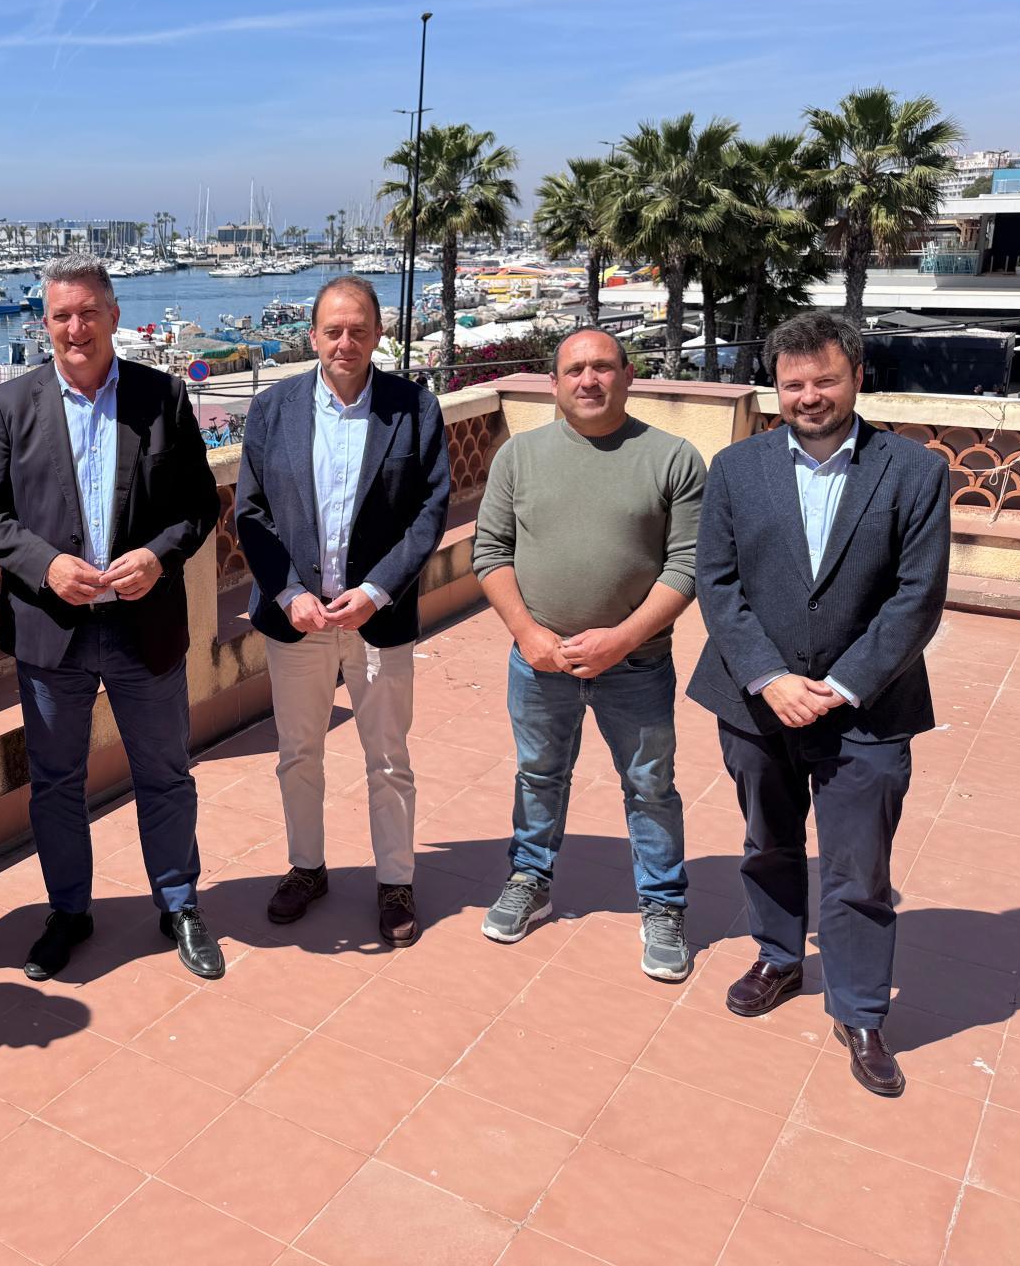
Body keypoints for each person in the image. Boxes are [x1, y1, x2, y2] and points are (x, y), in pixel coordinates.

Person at [689, 311, 947, 1097]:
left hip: (868, 707)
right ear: (776, 389)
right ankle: (778, 956)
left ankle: (860, 1011)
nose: (809, 396)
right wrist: (769, 676)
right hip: (757, 702)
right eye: (793, 384)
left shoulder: (914, 470)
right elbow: (717, 584)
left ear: (857, 377)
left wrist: (840, 685)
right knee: (768, 841)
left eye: (825, 380)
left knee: (858, 865)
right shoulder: (736, 468)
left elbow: (917, 597)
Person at [0, 254, 223, 981]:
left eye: (88, 313)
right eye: (61, 315)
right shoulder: (12, 404)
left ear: (113, 316)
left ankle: (179, 904)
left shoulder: (162, 396)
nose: (75, 328)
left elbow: (198, 504)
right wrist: (46, 564)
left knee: (165, 774)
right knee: (55, 782)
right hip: (54, 631)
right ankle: (69, 911)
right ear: (44, 324)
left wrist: (159, 557)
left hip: (144, 626)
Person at [471, 328, 707, 982]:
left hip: (637, 663)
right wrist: (527, 634)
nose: (589, 380)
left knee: (650, 786)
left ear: (628, 376)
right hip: (539, 661)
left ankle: (663, 904)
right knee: (539, 774)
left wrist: (622, 638)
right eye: (574, 369)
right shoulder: (520, 456)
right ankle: (530, 877)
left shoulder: (673, 458)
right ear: (553, 384)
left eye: (603, 367)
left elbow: (687, 565)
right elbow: (490, 553)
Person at [234, 275, 450, 945]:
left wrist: (377, 591)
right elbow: (250, 514)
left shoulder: (414, 408)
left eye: (358, 330)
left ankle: (395, 880)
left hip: (377, 618)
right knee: (298, 753)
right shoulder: (272, 409)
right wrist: (289, 593)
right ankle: (307, 868)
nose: (345, 342)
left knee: (388, 758)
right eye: (333, 331)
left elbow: (430, 511)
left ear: (378, 334)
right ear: (313, 337)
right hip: (295, 619)